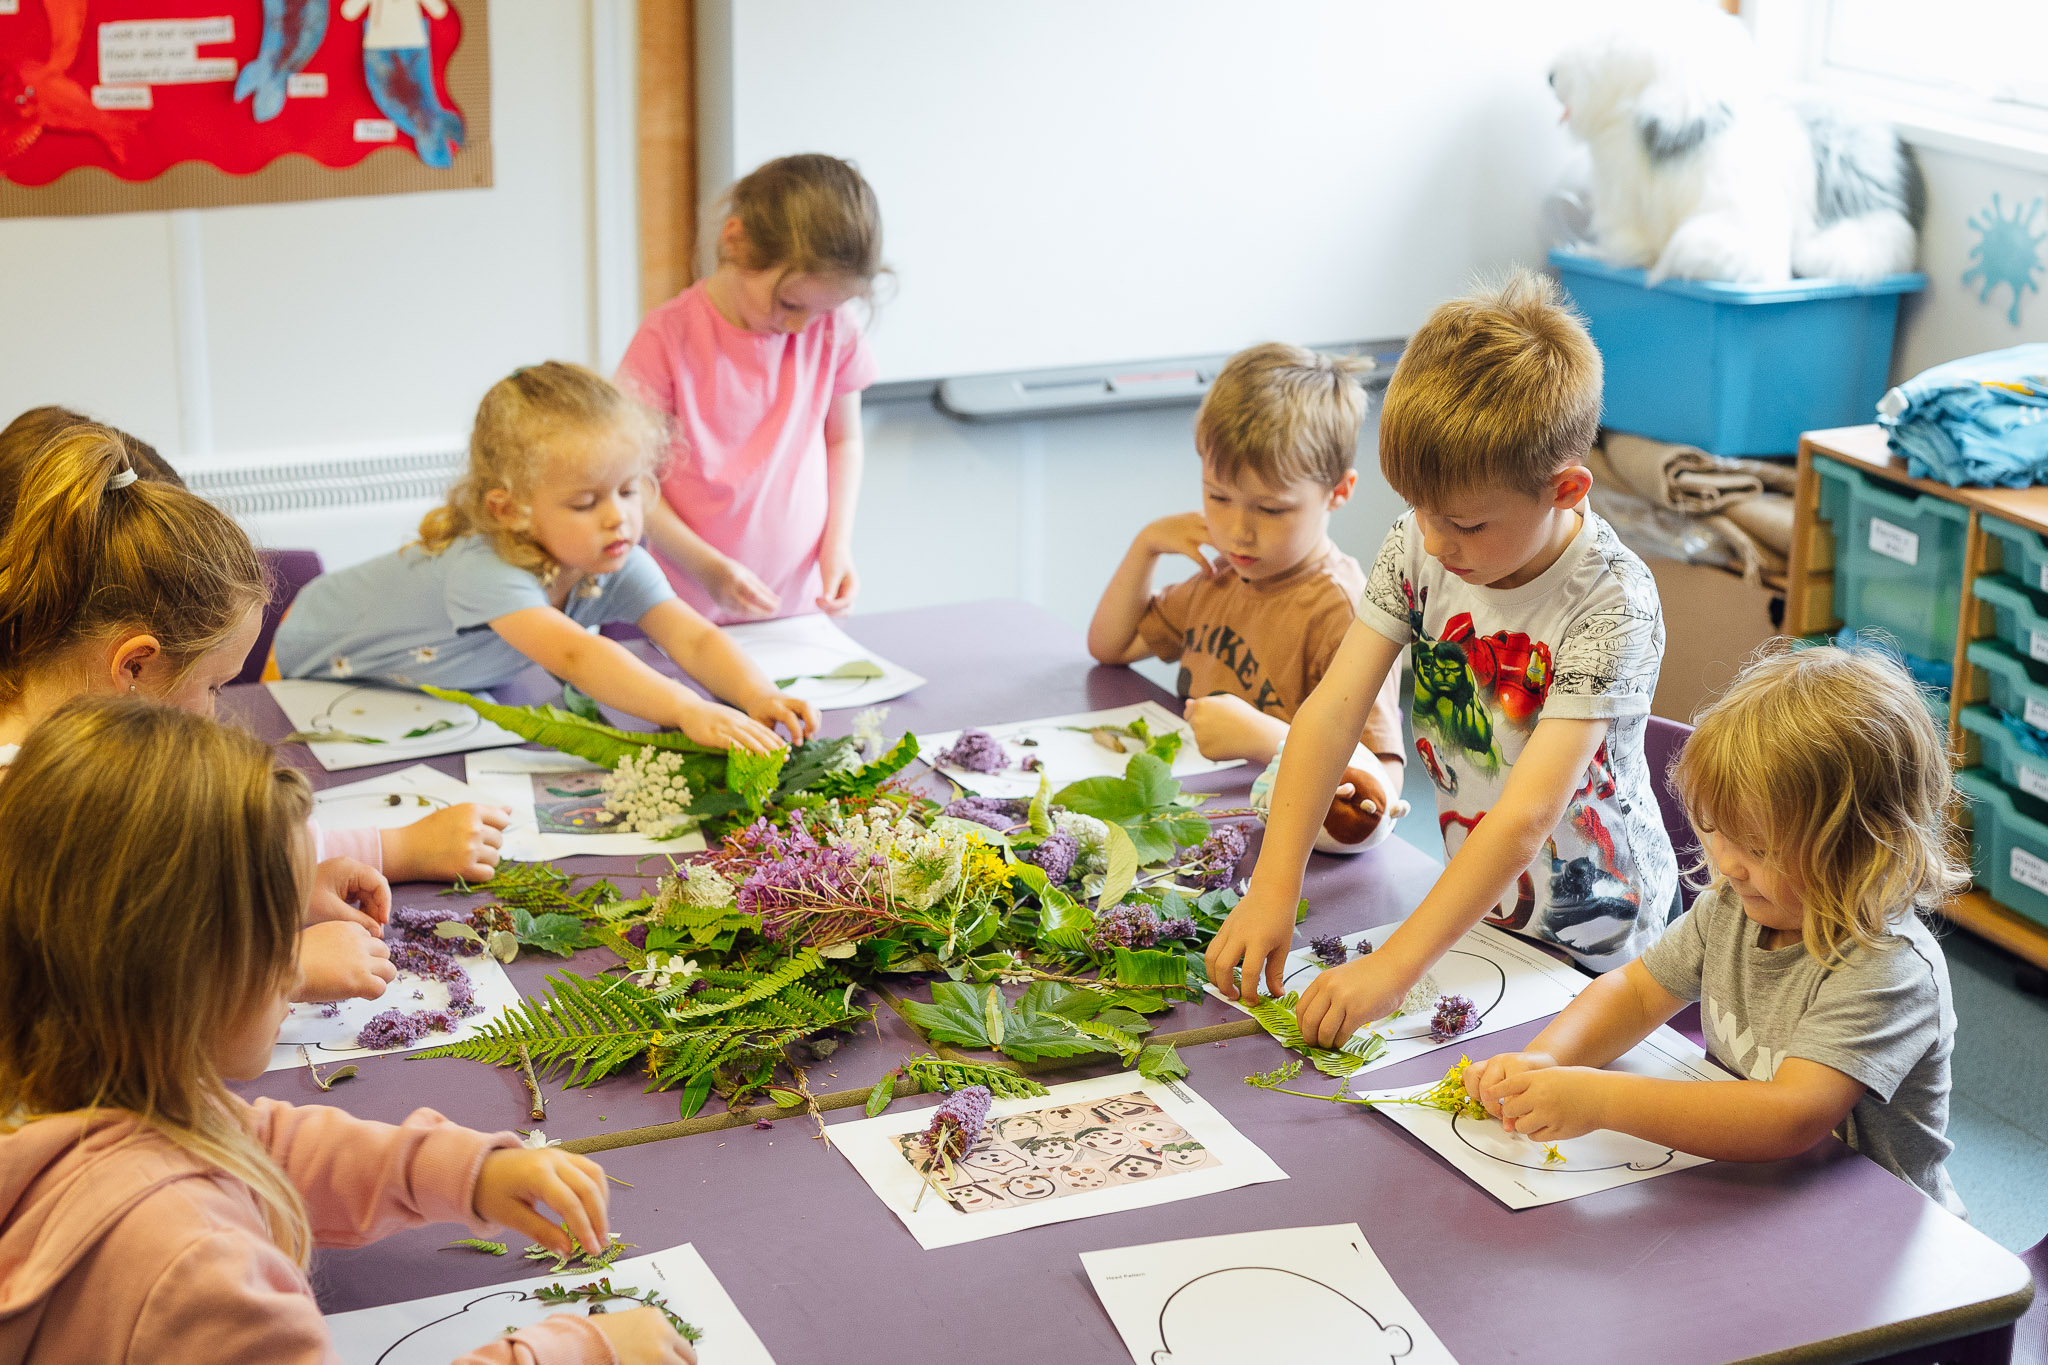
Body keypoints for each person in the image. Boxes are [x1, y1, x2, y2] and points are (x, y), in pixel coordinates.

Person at [0, 697, 696, 1364]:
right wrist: (573, 1351)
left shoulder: (78, 1079)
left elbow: (243, 1141)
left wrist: (457, 1171)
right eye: (285, 935)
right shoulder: (194, 1267)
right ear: (191, 977)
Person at [1209, 270, 1676, 1046]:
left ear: (1565, 489)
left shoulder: (1611, 602)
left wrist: (1392, 967)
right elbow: (1332, 712)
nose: (1432, 540)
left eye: (1462, 521)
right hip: (1478, 912)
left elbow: (1528, 816)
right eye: (1419, 509)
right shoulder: (1423, 543)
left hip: (1600, 946)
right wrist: (1272, 886)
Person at [1465, 645, 1965, 1216]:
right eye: (1716, 831)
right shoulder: (1736, 905)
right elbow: (1635, 992)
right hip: (1762, 1192)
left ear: (1864, 848)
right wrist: (1550, 1062)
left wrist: (1601, 1099)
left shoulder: (1886, 965)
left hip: (1873, 1227)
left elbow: (1789, 1116)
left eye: (1758, 848)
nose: (1727, 865)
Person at [0, 421, 486, 1004]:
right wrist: (285, 970)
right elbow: (106, 1002)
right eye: (212, 686)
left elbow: (160, 907)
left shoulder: (71, 752)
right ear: (133, 667)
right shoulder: (40, 804)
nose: (215, 712)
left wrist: (286, 894)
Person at [272, 362, 815, 753]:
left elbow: (693, 637)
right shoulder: (484, 569)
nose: (617, 518)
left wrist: (757, 693)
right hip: (310, 659)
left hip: (413, 689)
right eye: (585, 502)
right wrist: (686, 709)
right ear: (511, 511)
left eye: (630, 491)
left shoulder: (613, 559)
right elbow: (578, 657)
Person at [1087, 342, 1407, 851]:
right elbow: (1110, 646)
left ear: (1338, 492)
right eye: (1217, 497)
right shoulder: (1223, 576)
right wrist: (1146, 545)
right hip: (1200, 825)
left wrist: (1268, 739)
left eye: (1272, 510)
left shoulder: (1345, 613)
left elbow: (1380, 795)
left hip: (1282, 849)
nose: (1238, 532)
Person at [616, 153, 882, 623]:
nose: (801, 326)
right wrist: (708, 568)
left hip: (792, 611)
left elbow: (844, 440)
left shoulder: (833, 328)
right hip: (677, 611)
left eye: (820, 311)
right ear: (736, 243)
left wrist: (837, 546)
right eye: (789, 303)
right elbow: (628, 479)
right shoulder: (667, 338)